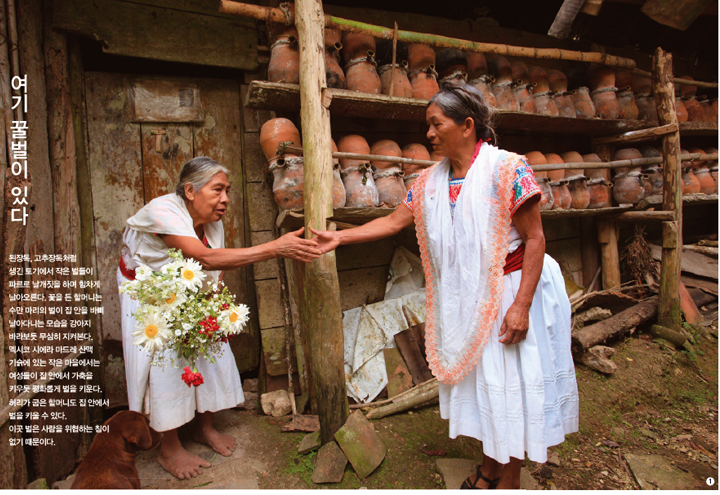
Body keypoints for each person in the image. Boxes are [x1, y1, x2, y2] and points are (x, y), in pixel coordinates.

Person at [312, 81, 579, 489]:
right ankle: (491, 468)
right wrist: (339, 237)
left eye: (436, 125)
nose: (429, 134)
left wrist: (521, 306)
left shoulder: (508, 168)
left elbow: (536, 239)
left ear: (467, 125)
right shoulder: (429, 182)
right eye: (428, 126)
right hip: (472, 298)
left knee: (510, 388)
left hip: (513, 289)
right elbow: (392, 222)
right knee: (491, 386)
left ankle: (507, 480)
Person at [118, 156, 320, 480]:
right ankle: (169, 449)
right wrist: (276, 248)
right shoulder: (163, 212)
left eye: (227, 191)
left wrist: (213, 313)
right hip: (150, 292)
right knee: (165, 358)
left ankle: (204, 427)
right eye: (218, 190)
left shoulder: (212, 222)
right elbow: (204, 258)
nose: (225, 198)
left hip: (185, 286)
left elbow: (213, 271)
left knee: (210, 342)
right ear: (190, 191)